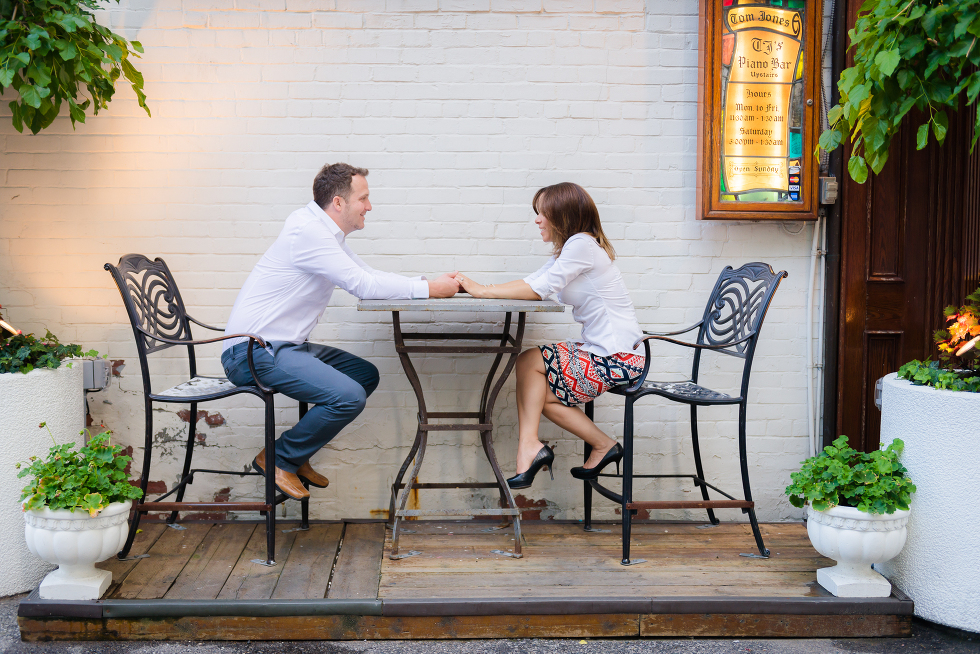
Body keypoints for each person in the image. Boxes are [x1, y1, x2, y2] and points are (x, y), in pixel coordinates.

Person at [221, 163, 460, 499]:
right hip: (253, 352)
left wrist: (425, 283)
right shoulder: (308, 232)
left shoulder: (322, 233)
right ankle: (279, 458)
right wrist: (432, 290)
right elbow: (362, 285)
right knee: (347, 397)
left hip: (284, 347)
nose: (369, 206)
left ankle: (295, 455)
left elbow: (366, 274)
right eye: (363, 198)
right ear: (338, 202)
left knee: (364, 375)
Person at [454, 182, 644, 489]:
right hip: (603, 350)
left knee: (530, 366)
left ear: (561, 214)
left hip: (618, 356)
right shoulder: (569, 249)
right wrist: (480, 288)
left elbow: (538, 289)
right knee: (534, 383)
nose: (537, 220)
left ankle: (530, 448)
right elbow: (534, 283)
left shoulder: (581, 244)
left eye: (542, 213)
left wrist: (481, 291)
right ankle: (598, 445)